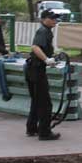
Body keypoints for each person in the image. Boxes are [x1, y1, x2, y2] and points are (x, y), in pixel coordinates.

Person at [25, 9, 60, 141]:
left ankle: (32, 127)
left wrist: (51, 57)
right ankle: (44, 133)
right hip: (36, 70)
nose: (54, 20)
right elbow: (35, 47)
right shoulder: (43, 31)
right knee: (45, 103)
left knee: (37, 100)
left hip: (33, 69)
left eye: (55, 18)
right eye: (52, 18)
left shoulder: (46, 31)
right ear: (44, 19)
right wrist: (46, 59)